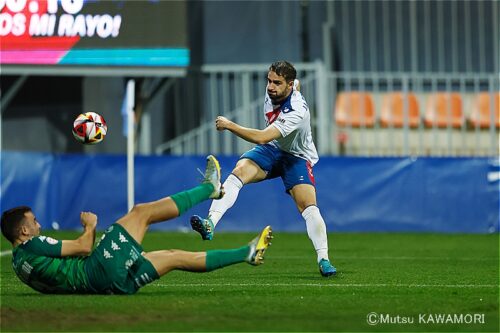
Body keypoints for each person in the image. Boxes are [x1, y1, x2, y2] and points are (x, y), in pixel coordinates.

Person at [0, 155, 273, 294]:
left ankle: (246, 253)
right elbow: (84, 247)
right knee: (141, 212)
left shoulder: (17, 264)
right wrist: (90, 226)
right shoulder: (33, 243)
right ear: (23, 231)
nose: (39, 225)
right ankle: (209, 189)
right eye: (33, 222)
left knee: (174, 256)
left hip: (107, 286)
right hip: (97, 271)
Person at [190, 61, 336, 277]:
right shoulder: (286, 87)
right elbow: (297, 84)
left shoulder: (297, 111)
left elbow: (261, 136)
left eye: (277, 83)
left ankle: (323, 259)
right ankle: (210, 223)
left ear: (288, 85)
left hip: (296, 156)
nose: (270, 86)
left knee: (308, 205)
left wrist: (229, 125)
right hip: (272, 149)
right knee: (239, 172)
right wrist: (294, 84)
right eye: (269, 80)